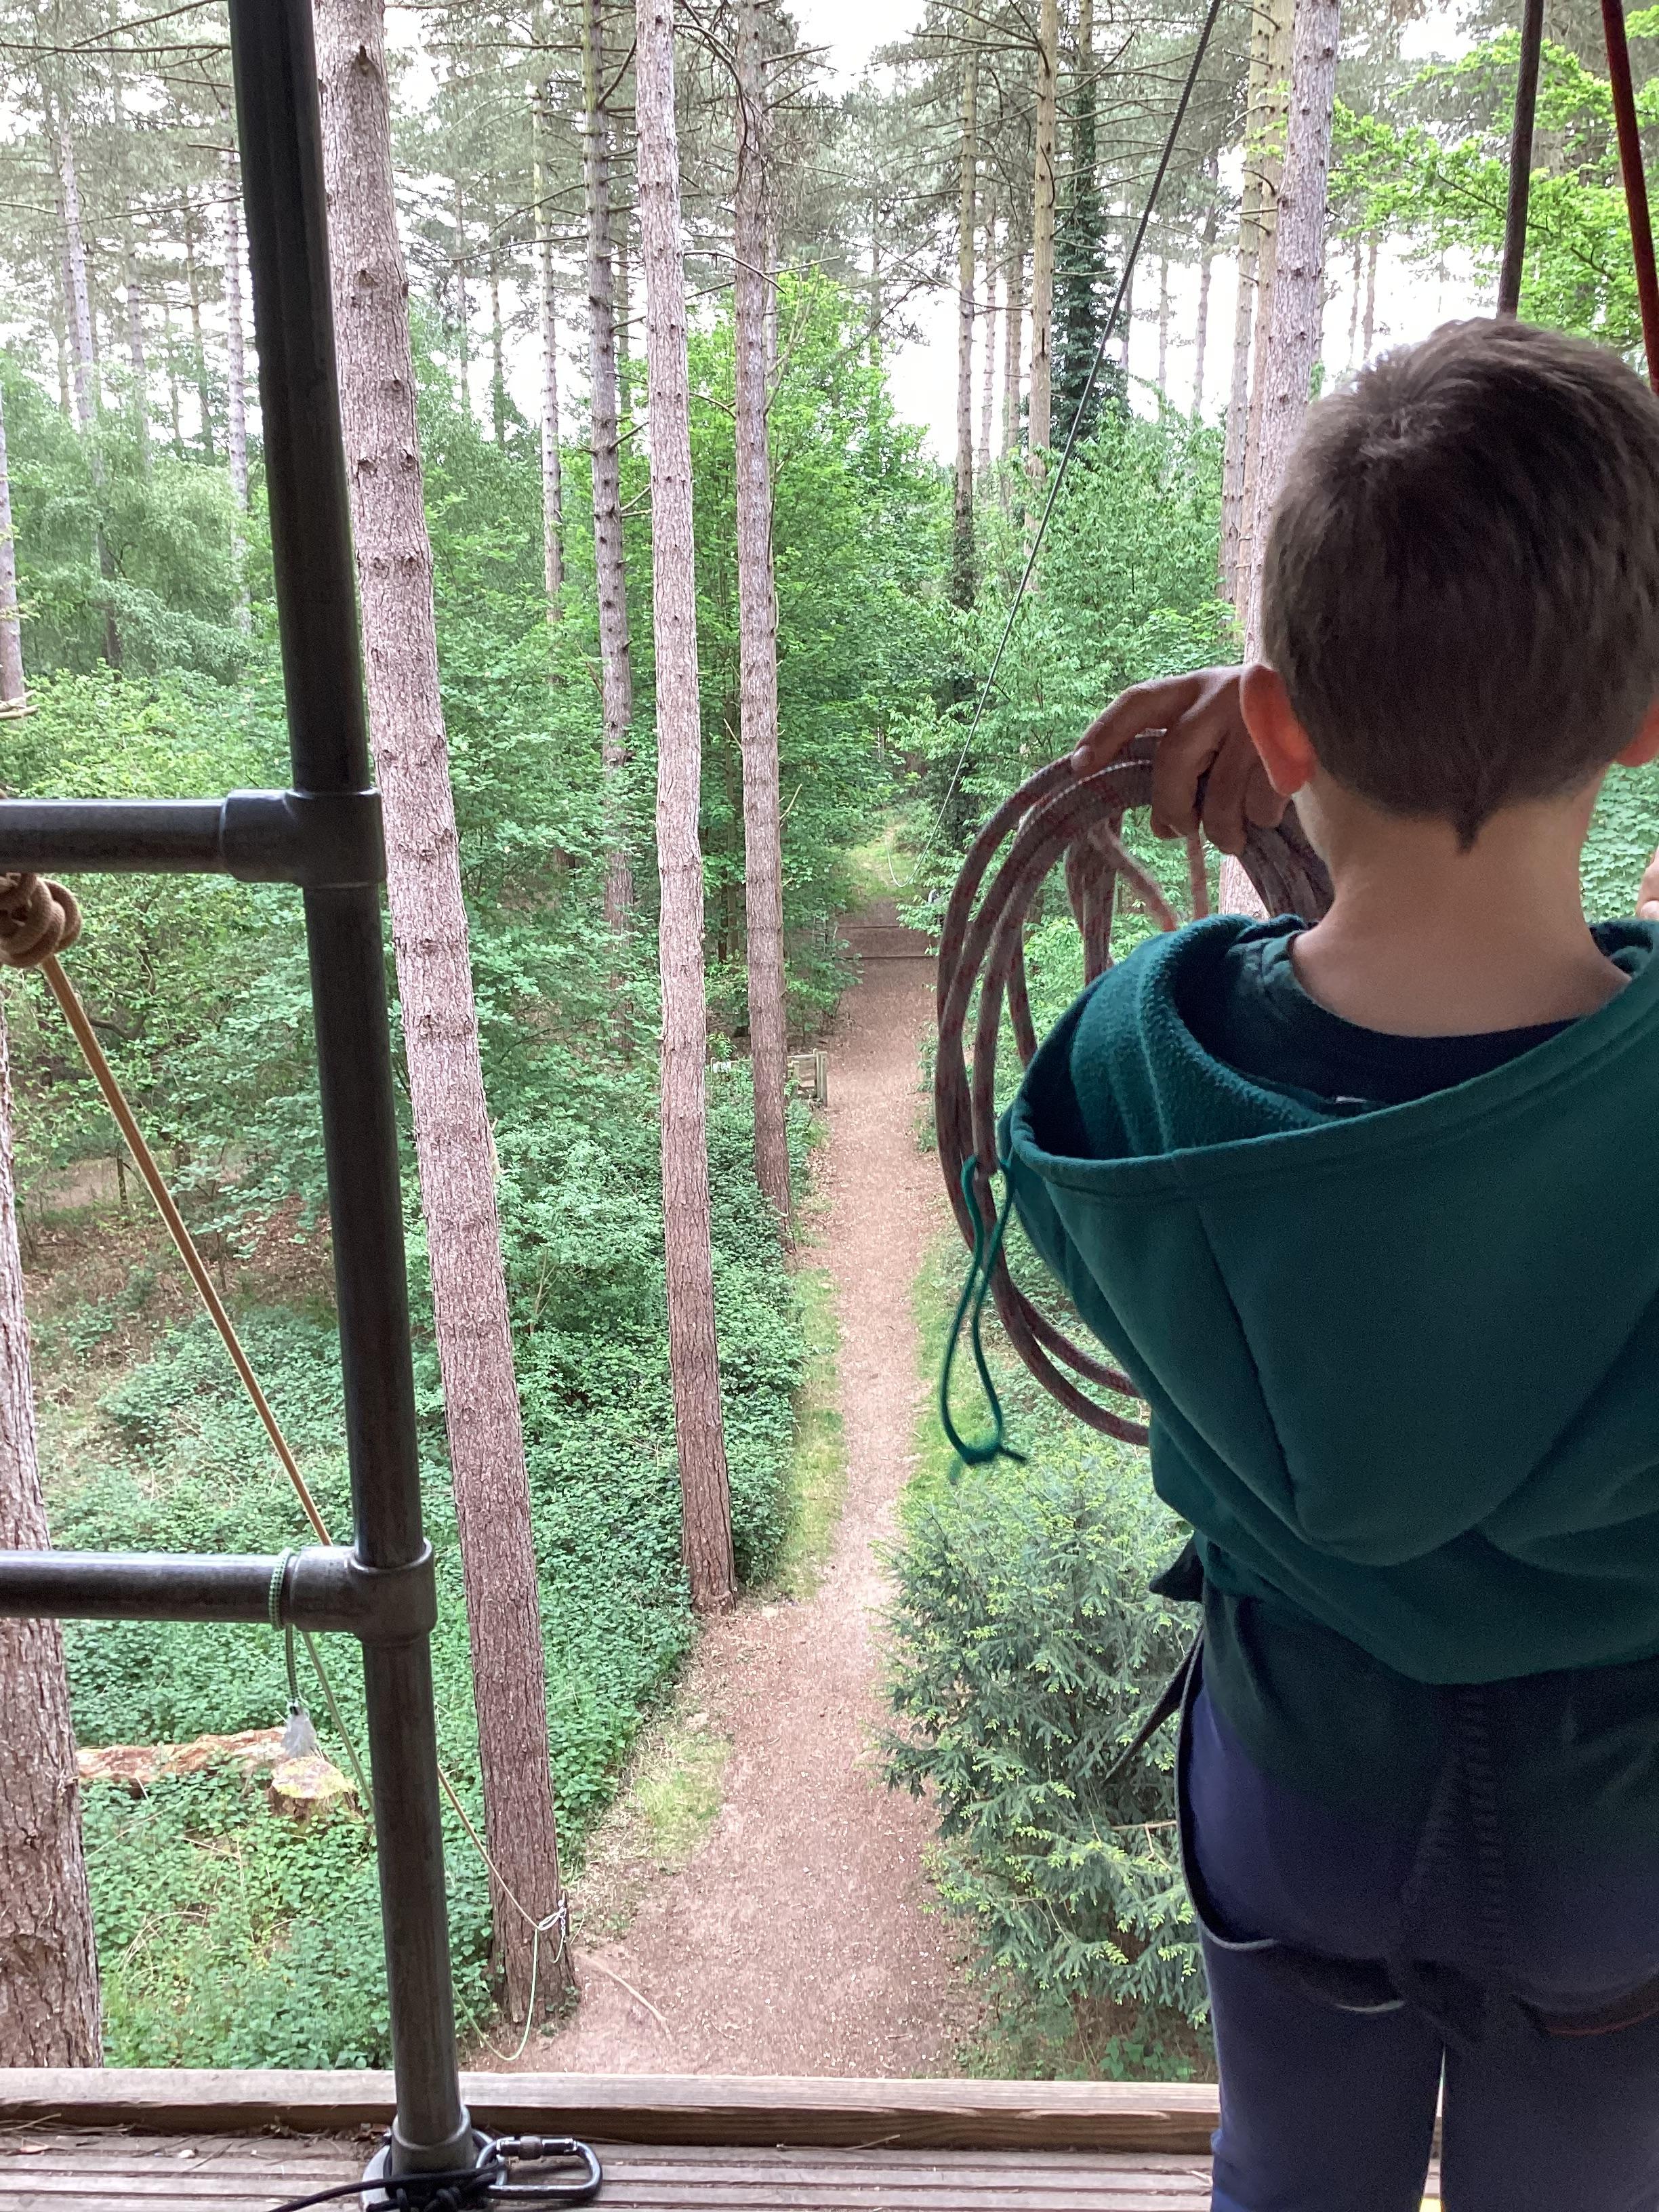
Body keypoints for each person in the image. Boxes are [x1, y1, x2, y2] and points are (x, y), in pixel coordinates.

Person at [1003, 317, 1659, 2212]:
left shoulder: (1137, 1060)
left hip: (1301, 1787)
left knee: (1285, 2175)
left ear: (1281, 732)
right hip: (1616, 1829)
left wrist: (1319, 713)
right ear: (1642, 722)